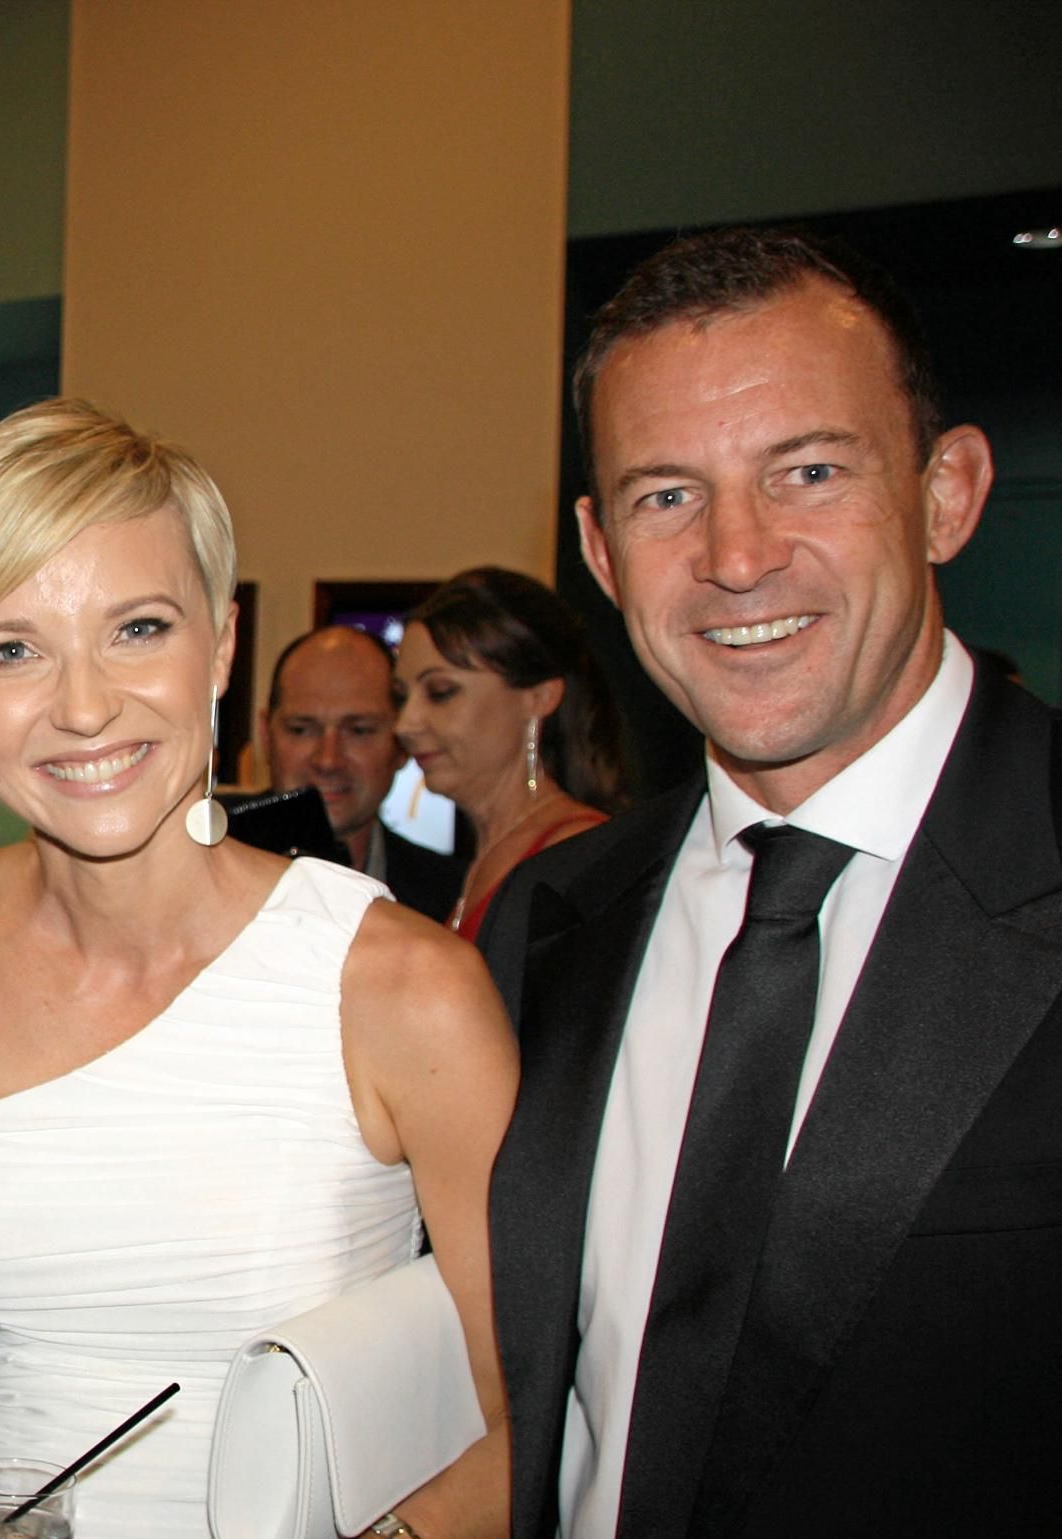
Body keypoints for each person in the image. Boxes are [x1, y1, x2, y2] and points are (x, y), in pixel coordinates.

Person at [0, 398, 516, 1539]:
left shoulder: (401, 989)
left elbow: (536, 1411)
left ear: (223, 645)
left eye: (138, 628)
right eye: (13, 649)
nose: (86, 705)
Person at [480, 227, 1056, 1537]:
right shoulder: (550, 924)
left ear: (947, 491)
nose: (738, 557)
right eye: (667, 494)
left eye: (807, 470)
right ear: (603, 549)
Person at [394, 567, 625, 940]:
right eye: (402, 697)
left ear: (539, 697)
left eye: (440, 692)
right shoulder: (484, 858)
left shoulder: (577, 856)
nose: (405, 724)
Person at [266, 623, 467, 918]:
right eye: (302, 730)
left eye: (359, 731)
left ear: (400, 745)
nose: (328, 760)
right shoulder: (198, 871)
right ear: (265, 735)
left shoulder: (452, 900)